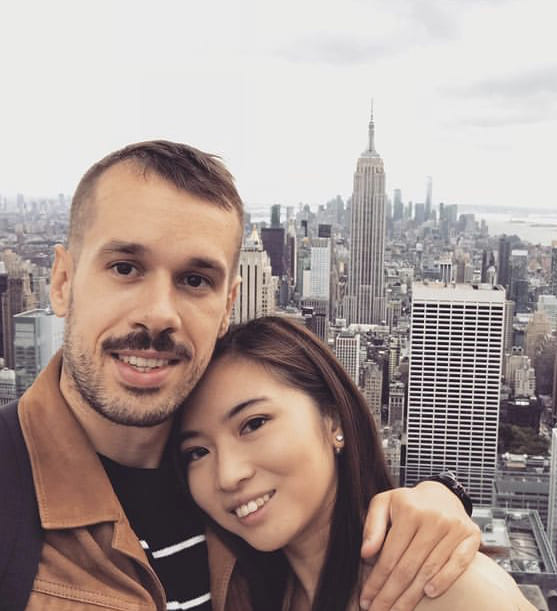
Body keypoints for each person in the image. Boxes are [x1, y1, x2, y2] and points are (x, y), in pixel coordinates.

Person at [14, 141, 481, 610]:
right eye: (124, 268)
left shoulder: (246, 522)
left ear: (228, 306)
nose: (158, 314)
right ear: (62, 282)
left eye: (195, 280)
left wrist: (442, 501)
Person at [178, 316, 535, 611]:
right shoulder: (248, 587)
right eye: (197, 452)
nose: (228, 475)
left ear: (333, 420)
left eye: (254, 424)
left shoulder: (447, 590)